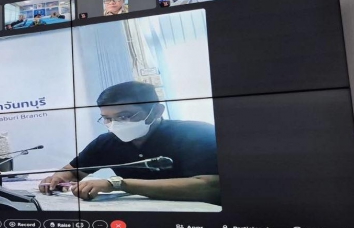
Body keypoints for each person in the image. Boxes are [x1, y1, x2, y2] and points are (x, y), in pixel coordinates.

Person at [39, 81, 219, 204]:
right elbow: (71, 172)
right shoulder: (106, 143)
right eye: (107, 118)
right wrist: (58, 179)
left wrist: (118, 184)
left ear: (156, 111)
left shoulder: (196, 133)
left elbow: (210, 186)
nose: (115, 124)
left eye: (124, 116)